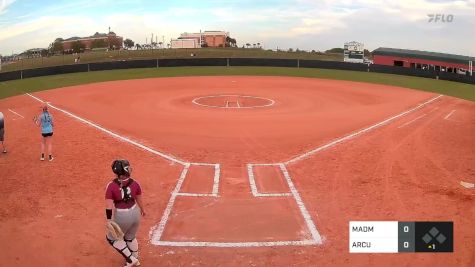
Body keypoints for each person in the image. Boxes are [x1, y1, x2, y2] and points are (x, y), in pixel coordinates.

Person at [105, 160, 145, 267]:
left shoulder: (111, 186)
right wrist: (143, 209)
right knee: (130, 237)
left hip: (122, 216)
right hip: (135, 213)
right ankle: (135, 258)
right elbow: (139, 198)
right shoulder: (135, 183)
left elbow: (109, 206)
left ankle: (131, 260)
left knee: (112, 238)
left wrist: (109, 220)